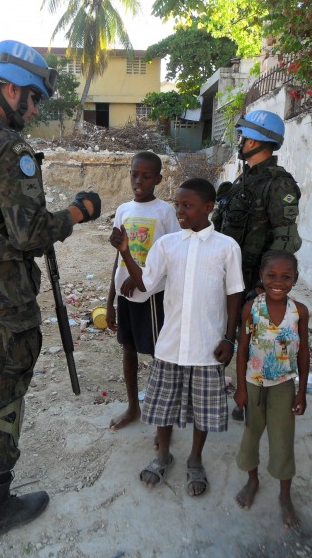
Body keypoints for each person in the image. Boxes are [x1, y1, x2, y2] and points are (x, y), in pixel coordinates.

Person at [0, 40, 101, 539]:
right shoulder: (8, 147)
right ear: (9, 88)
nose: (33, 111)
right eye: (32, 99)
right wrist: (78, 213)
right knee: (3, 396)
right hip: (2, 297)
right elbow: (30, 233)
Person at [110, 178, 244, 495]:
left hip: (207, 345)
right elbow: (145, 283)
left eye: (188, 206)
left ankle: (195, 460)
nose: (180, 211)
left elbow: (234, 295)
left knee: (202, 410)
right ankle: (162, 454)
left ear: (208, 208)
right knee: (165, 406)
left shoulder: (227, 247)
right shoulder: (167, 245)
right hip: (170, 344)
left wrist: (229, 338)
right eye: (178, 205)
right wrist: (126, 252)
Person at [212, 110, 302, 421]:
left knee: (254, 342)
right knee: (228, 333)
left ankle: (252, 402)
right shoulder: (245, 178)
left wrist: (265, 286)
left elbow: (286, 237)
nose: (240, 142)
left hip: (253, 280)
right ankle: (232, 393)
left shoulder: (279, 185)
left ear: (255, 140)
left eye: (244, 136)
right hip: (230, 274)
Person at [234, 249, 310, 528]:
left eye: (286, 276)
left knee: (282, 439)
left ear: (295, 279)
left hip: (283, 386)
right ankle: (252, 481)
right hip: (253, 384)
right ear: (261, 277)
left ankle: (285, 496)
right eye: (272, 275)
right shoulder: (251, 308)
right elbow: (243, 348)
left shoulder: (298, 311)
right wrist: (240, 387)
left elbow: (303, 353)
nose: (278, 281)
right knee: (251, 435)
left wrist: (301, 391)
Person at [106, 151, 180, 431]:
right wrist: (110, 299)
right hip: (125, 295)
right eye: (134, 174)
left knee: (158, 354)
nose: (139, 180)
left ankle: (164, 415)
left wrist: (143, 280)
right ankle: (133, 407)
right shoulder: (124, 210)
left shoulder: (165, 212)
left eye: (146, 176)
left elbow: (171, 256)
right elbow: (117, 257)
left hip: (151, 295)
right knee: (128, 348)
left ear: (158, 179)